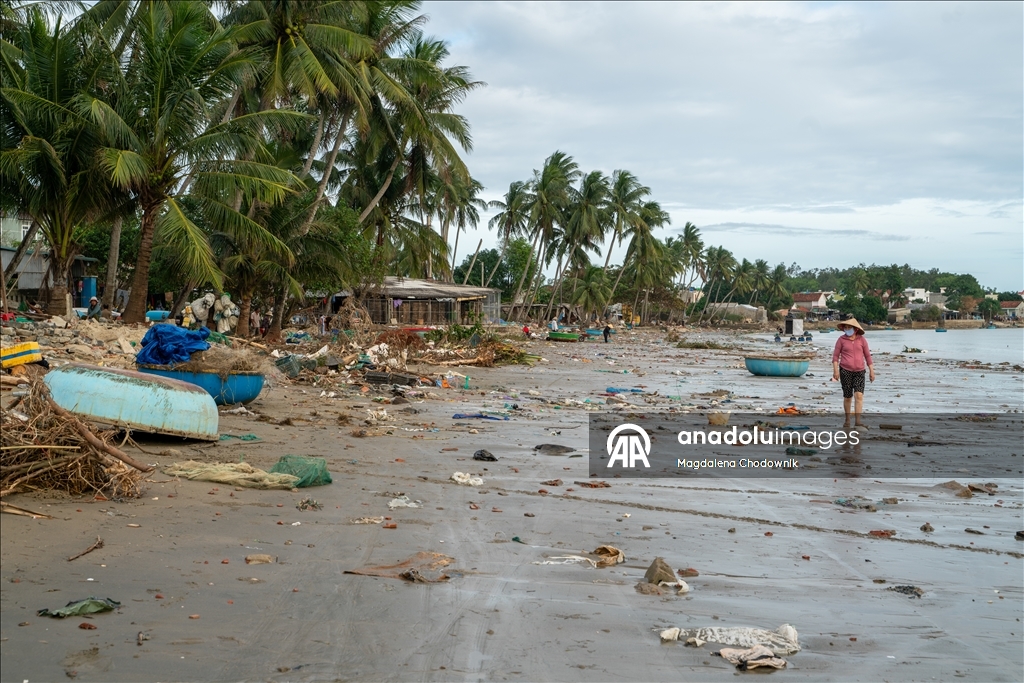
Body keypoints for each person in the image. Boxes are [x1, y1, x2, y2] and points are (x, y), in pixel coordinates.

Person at [832, 317, 875, 430]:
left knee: (859, 395)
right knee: (848, 396)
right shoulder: (841, 340)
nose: (847, 329)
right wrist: (835, 370)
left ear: (855, 329)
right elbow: (835, 356)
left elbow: (867, 356)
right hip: (845, 370)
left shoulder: (862, 340)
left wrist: (872, 371)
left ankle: (858, 421)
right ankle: (847, 419)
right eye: (845, 327)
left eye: (849, 327)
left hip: (860, 371)